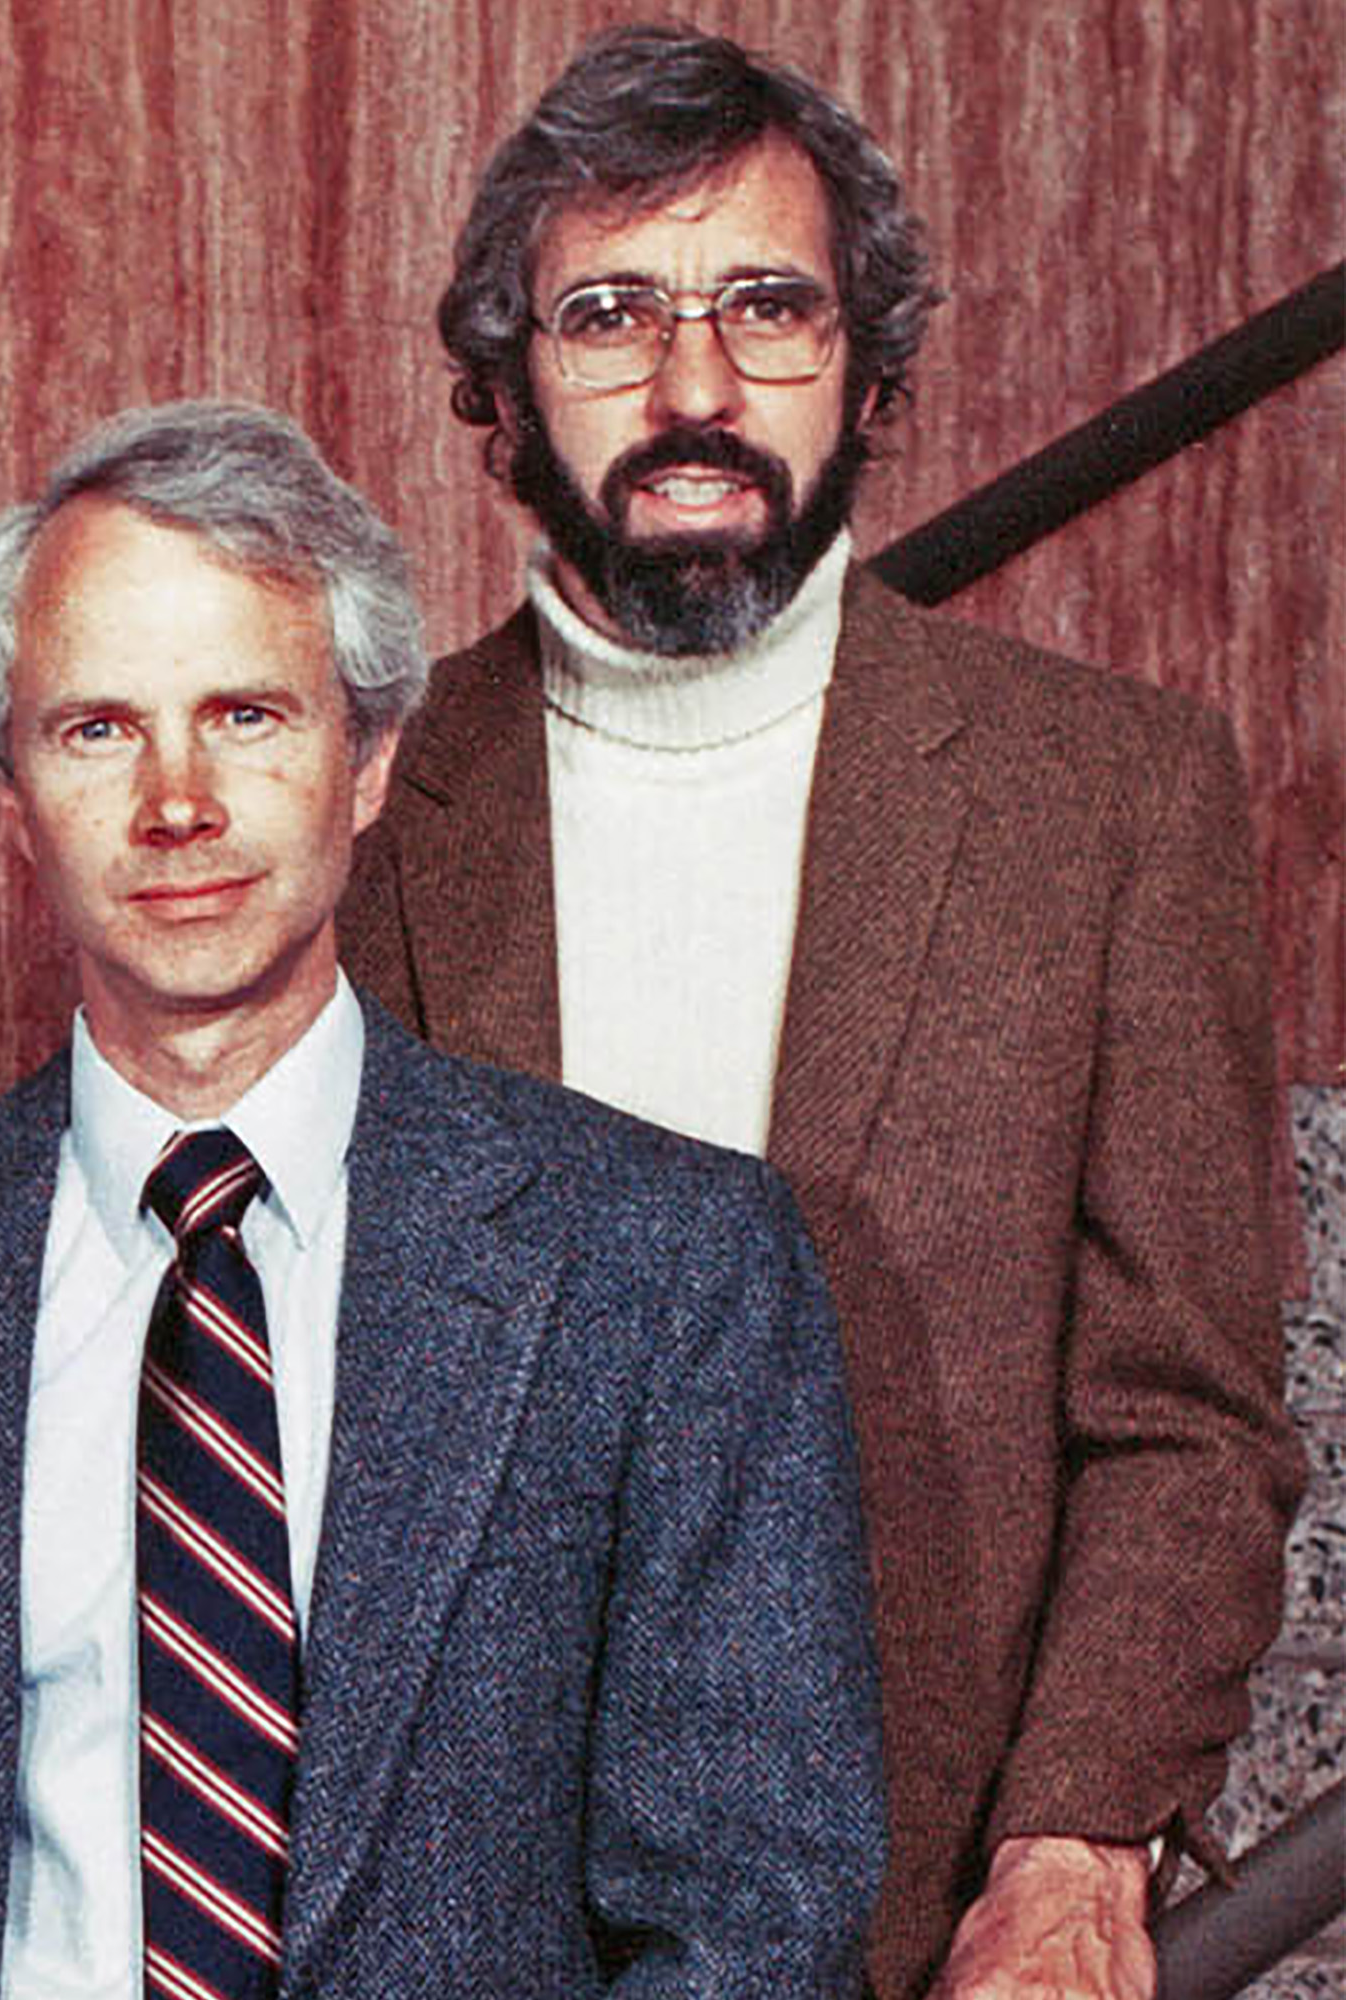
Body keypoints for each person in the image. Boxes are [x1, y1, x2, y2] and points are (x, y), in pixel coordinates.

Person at [0, 400, 884, 1997]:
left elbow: (757, 1916)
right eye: (97, 729)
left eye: (247, 715)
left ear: (369, 759)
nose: (178, 799)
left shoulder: (666, 1270)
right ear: (6, 791)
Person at [334, 27, 1302, 1998]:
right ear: (501, 393)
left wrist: (1076, 1853)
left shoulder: (1111, 794)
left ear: (867, 372)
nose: (697, 388)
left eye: (768, 307)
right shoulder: (344, 805)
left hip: (933, 1927)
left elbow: (1188, 1424)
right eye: (609, 316)